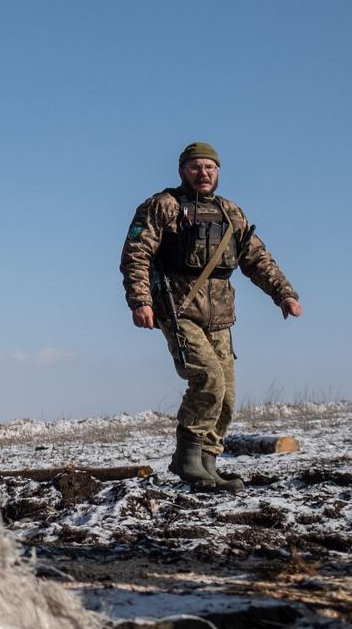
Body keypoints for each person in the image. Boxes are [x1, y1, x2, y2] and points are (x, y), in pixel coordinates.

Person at [121, 142, 302, 491]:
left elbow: (256, 258)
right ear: (181, 171)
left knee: (228, 395)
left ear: (218, 172)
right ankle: (187, 459)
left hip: (220, 314)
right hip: (178, 307)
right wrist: (140, 300)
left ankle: (208, 463)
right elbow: (136, 254)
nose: (203, 173)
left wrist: (284, 293)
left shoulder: (230, 213)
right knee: (208, 379)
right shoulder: (163, 206)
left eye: (210, 167)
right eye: (195, 167)